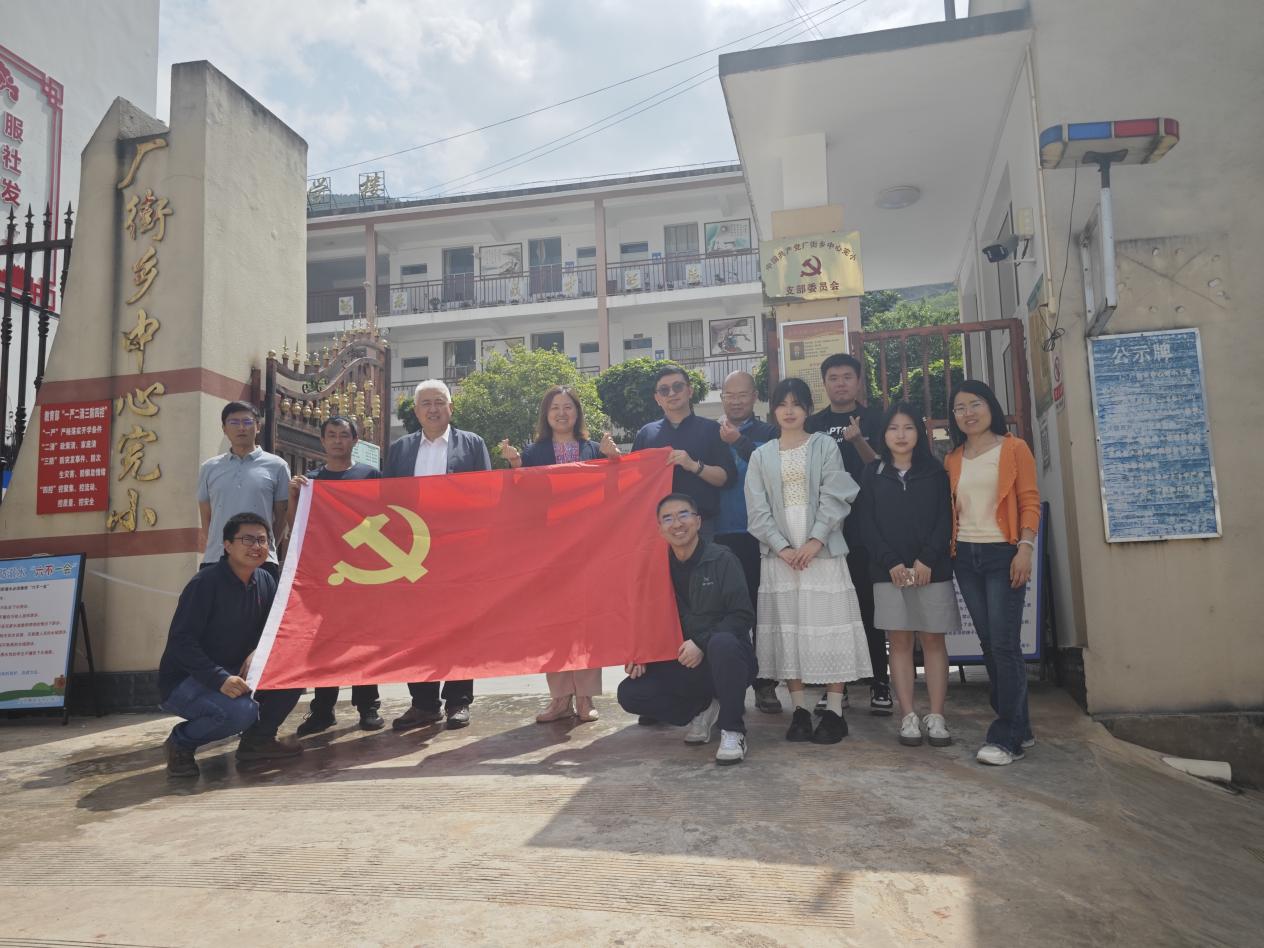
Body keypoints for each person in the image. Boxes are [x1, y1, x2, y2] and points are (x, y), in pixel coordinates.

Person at [745, 377, 871, 745]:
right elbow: (757, 509)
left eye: (797, 404)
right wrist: (782, 547)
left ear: (808, 409)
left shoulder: (824, 445)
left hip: (823, 551)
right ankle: (799, 709)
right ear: (772, 409)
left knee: (829, 626)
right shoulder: (760, 455)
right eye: (782, 404)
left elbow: (836, 495)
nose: (789, 411)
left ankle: (834, 712)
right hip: (780, 557)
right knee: (789, 629)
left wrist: (816, 540)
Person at [499, 385, 621, 724]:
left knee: (586, 623)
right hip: (549, 553)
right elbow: (521, 499)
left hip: (588, 550)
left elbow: (614, 492)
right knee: (553, 625)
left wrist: (614, 460)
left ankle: (585, 697)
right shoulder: (533, 453)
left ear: (577, 412)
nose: (562, 413)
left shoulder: (593, 449)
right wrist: (515, 465)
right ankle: (559, 698)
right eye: (555, 407)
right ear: (546, 414)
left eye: (568, 406)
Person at [158, 512, 303, 777]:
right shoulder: (205, 584)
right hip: (186, 681)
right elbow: (182, 641)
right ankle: (181, 742)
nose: (256, 546)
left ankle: (258, 741)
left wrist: (258, 651)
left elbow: (272, 629)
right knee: (240, 713)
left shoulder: (265, 580)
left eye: (262, 540)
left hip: (237, 673)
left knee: (293, 672)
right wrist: (219, 678)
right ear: (227, 545)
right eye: (247, 539)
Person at [616, 493, 757, 766]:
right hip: (682, 663)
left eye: (683, 515)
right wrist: (641, 653)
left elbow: (742, 615)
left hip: (728, 661)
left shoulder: (722, 559)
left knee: (723, 643)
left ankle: (732, 730)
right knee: (630, 694)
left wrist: (702, 642)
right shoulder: (656, 568)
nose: (677, 524)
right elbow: (645, 618)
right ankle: (702, 708)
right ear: (659, 529)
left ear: (698, 521)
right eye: (668, 518)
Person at [384, 379, 492, 732]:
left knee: (459, 627)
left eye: (439, 402)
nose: (433, 409)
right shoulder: (400, 449)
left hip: (459, 552)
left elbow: (486, 494)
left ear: (450, 408)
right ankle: (423, 703)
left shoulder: (472, 444)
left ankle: (458, 701)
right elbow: (387, 501)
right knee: (416, 629)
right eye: (426, 403)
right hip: (412, 554)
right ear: (416, 411)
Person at [945, 380, 1040, 766]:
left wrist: (1025, 547)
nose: (968, 413)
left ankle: (1006, 738)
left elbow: (1029, 500)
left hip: (1004, 554)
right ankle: (1022, 726)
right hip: (966, 558)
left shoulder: (1014, 448)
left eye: (975, 404)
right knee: (989, 644)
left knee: (1004, 645)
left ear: (990, 407)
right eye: (960, 408)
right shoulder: (953, 458)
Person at [858, 402, 959, 748]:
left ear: (919, 432)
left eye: (908, 427)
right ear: (883, 434)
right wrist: (891, 563)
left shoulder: (936, 471)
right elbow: (866, 524)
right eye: (893, 428)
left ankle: (937, 715)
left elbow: (945, 518)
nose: (900, 435)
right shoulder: (872, 472)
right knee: (899, 642)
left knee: (933, 640)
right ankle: (908, 716)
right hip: (889, 573)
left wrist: (927, 559)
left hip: (932, 571)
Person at [804, 353, 892, 716]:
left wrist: (858, 441)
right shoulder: (813, 425)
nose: (840, 384)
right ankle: (834, 687)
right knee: (831, 610)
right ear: (824, 383)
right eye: (833, 378)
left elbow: (886, 468)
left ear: (858, 382)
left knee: (870, 607)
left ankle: (879, 682)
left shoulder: (879, 420)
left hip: (867, 528)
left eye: (847, 377)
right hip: (825, 531)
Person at [287, 416, 386, 735]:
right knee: (326, 643)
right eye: (331, 435)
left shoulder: (370, 475)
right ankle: (322, 710)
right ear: (322, 440)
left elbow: (386, 514)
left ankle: (368, 707)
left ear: (355, 440)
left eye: (344, 435)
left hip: (364, 572)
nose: (337, 441)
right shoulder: (312, 481)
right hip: (327, 574)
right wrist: (294, 497)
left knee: (362, 642)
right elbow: (298, 525)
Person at [713, 370, 782, 715]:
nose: (736, 401)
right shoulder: (710, 433)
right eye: (730, 395)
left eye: (743, 394)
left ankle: (765, 683)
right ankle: (725, 685)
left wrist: (738, 440)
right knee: (725, 613)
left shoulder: (770, 433)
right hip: (718, 534)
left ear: (755, 396)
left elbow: (773, 469)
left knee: (762, 612)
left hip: (759, 535)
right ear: (722, 398)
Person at [630, 364, 736, 538]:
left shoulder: (711, 430)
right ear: (657, 398)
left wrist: (694, 465)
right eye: (664, 390)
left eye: (678, 387)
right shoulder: (646, 434)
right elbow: (633, 481)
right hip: (657, 528)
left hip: (702, 526)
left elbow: (726, 478)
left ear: (690, 391)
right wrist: (612, 458)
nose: (671, 393)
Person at [197, 401, 290, 577]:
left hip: (261, 560)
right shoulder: (209, 468)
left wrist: (266, 545)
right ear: (224, 429)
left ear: (258, 427)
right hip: (216, 558)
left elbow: (282, 515)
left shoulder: (277, 466)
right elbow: (206, 516)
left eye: (247, 422)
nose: (241, 428)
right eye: (234, 422)